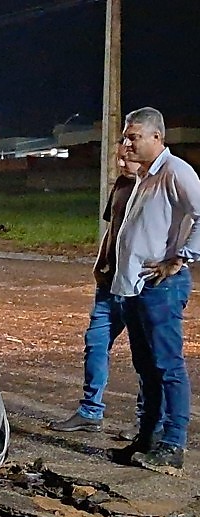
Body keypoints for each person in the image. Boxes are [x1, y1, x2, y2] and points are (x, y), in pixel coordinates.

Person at [113, 107, 200, 475]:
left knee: (168, 365)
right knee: (146, 367)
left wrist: (180, 259)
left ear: (156, 138)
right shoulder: (144, 176)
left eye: (133, 137)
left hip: (161, 287)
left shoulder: (175, 172)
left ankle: (173, 444)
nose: (126, 144)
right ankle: (148, 437)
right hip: (136, 288)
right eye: (124, 137)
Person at [49, 140, 150, 437]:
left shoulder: (153, 190)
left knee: (143, 354)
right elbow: (111, 229)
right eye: (118, 158)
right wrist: (99, 263)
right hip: (110, 283)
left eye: (125, 159)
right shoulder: (120, 185)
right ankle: (90, 411)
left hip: (139, 287)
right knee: (95, 343)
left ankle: (146, 420)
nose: (120, 164)